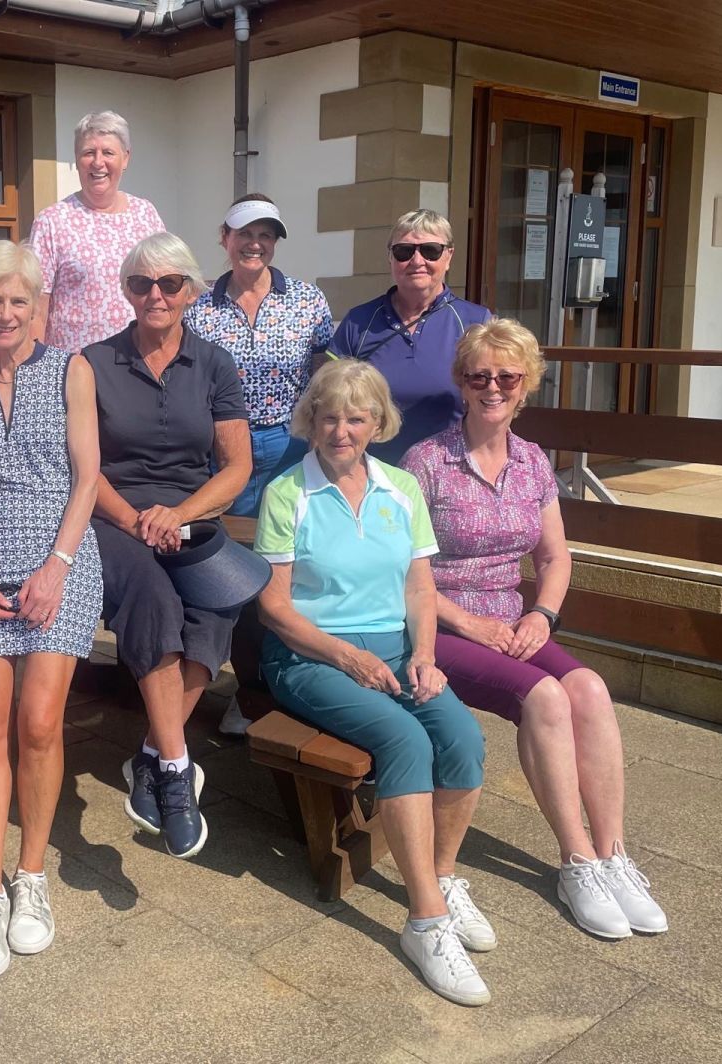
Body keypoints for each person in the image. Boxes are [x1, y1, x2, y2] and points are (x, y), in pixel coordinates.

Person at [401, 318, 667, 941]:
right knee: (544, 698)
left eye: (507, 376)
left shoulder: (531, 463)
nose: (492, 386)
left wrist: (540, 615)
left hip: (513, 621)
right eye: (478, 376)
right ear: (461, 385)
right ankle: (575, 862)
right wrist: (472, 623)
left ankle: (612, 855)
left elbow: (554, 557)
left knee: (592, 690)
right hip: (443, 623)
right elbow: (403, 569)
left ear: (526, 387)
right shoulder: (426, 462)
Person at [255, 358, 493, 1007]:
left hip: (396, 647)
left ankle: (441, 879)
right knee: (403, 741)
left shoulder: (399, 488)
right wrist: (343, 656)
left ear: (375, 422)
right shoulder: (288, 493)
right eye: (328, 416)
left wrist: (424, 653)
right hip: (308, 656)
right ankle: (426, 923)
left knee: (462, 739)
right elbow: (274, 607)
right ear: (311, 420)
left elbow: (420, 586)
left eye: (355, 417)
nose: (340, 430)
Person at [0, 241, 102, 981]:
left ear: (38, 306)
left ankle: (29, 877)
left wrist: (56, 567)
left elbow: (88, 475)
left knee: (38, 724)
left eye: (19, 300)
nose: (6, 312)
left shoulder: (72, 369)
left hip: (59, 559)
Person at [85, 232, 252, 861]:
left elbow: (235, 467)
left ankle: (150, 754)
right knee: (153, 597)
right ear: (127, 292)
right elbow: (85, 464)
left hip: (188, 515)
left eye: (169, 284)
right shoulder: (94, 362)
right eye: (140, 284)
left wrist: (178, 514)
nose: (155, 295)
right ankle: (178, 771)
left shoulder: (214, 363)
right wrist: (134, 519)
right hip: (113, 518)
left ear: (190, 290)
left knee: (218, 603)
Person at [185, 192, 335, 736]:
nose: (255, 244)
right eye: (245, 233)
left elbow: (326, 373)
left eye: (266, 235)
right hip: (224, 452)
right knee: (238, 569)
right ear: (224, 238)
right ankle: (245, 692)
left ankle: (289, 679)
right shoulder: (198, 306)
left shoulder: (307, 302)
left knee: (291, 566)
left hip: (292, 448)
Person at [329, 209, 491, 463]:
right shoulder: (358, 322)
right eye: (404, 251)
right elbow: (331, 399)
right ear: (390, 258)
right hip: (373, 474)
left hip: (452, 472)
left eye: (430, 250)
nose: (417, 260)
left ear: (449, 257)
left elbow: (496, 400)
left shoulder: (476, 323)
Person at [27, 110, 165, 352]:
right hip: (74, 369)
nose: (98, 162)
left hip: (139, 363)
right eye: (89, 152)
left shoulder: (146, 214)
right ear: (77, 159)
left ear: (126, 158)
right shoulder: (52, 221)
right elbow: (36, 308)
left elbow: (165, 288)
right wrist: (36, 369)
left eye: (108, 152)